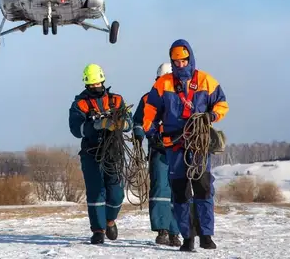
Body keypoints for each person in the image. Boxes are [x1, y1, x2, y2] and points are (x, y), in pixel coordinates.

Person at [140, 39, 229, 252]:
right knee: (180, 192)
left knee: (203, 188)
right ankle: (187, 237)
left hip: (198, 143)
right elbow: (150, 111)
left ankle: (206, 235)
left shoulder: (206, 81)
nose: (180, 65)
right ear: (172, 61)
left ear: (190, 58)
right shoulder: (163, 85)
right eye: (176, 61)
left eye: (183, 60)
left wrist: (212, 115)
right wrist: (151, 131)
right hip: (174, 144)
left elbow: (222, 103)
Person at [69, 63, 133, 245]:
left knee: (116, 194)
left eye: (98, 84)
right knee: (96, 192)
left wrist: (121, 124)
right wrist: (96, 125)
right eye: (92, 85)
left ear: (103, 81)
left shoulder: (117, 100)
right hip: (91, 153)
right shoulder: (79, 104)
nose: (96, 88)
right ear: (86, 85)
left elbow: (128, 121)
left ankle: (110, 220)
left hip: (114, 152)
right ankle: (98, 230)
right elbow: (76, 129)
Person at [133, 62, 182, 247]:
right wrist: (139, 137)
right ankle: (162, 230)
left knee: (178, 190)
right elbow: (138, 121)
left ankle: (175, 232)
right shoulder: (147, 99)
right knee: (160, 189)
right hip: (158, 149)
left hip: (179, 151)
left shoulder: (183, 98)